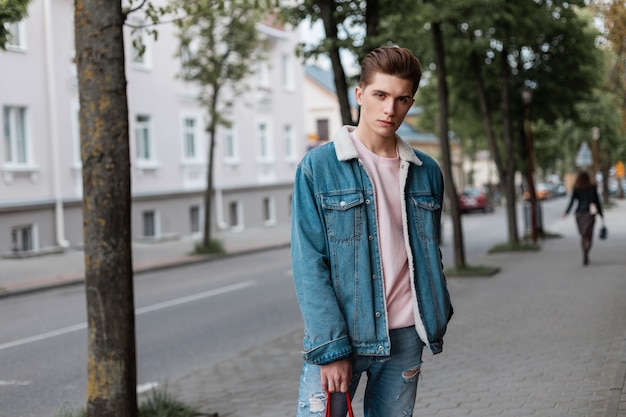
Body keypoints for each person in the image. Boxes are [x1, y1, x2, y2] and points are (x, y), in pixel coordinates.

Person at [290, 46, 454, 417]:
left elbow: (429, 253)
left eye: (401, 99)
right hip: (343, 338)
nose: (390, 109)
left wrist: (436, 311)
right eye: (380, 95)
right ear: (360, 94)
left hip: (407, 337)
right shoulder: (319, 167)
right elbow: (308, 265)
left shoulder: (427, 171)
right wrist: (331, 350)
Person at [562, 171, 604, 265]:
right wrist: (601, 215)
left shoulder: (577, 188)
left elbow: (572, 201)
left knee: (583, 235)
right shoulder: (592, 187)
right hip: (590, 214)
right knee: (589, 235)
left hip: (580, 214)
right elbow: (597, 201)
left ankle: (584, 251)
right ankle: (587, 251)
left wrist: (566, 212)